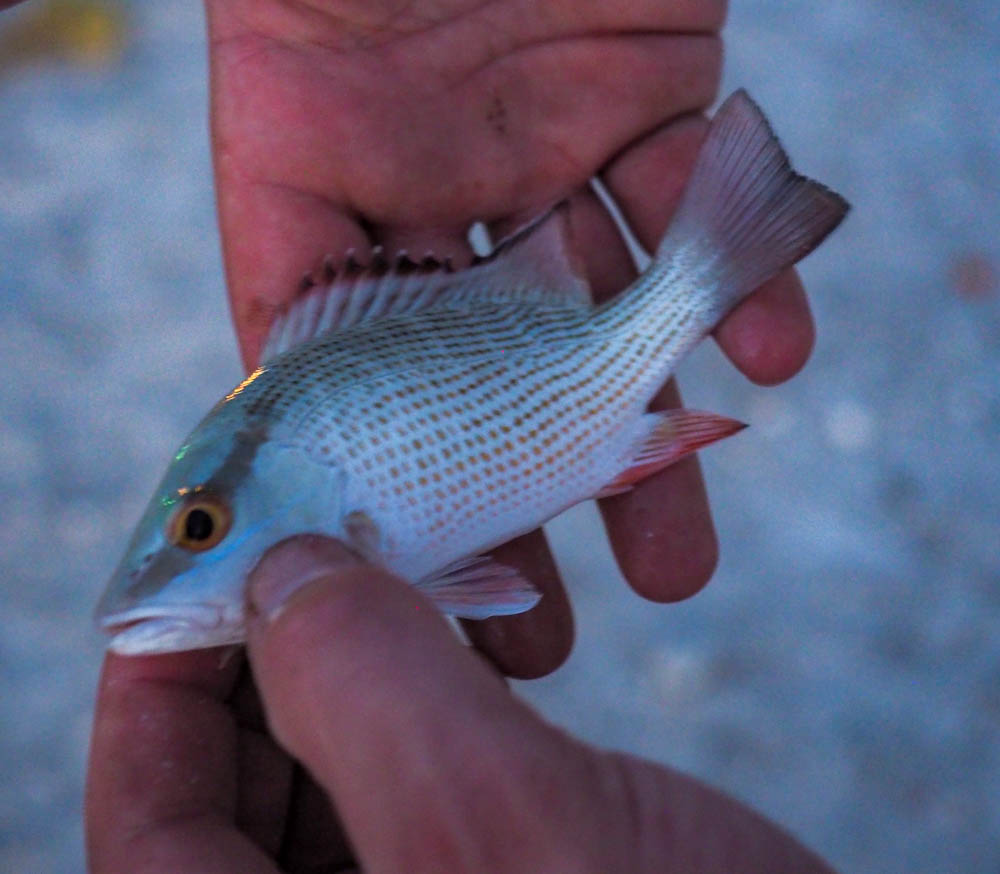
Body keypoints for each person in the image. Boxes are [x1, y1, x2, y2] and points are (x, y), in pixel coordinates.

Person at [81, 1, 830, 870]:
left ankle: (712, 262)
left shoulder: (293, 428)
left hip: (567, 376)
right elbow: (482, 587)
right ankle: (725, 245)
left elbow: (484, 588)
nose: (186, 549)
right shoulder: (284, 427)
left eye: (199, 526)